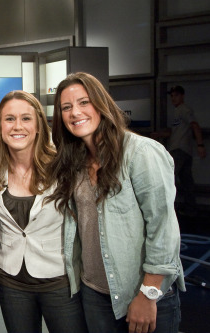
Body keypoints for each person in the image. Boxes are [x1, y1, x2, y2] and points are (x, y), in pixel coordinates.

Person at [46, 72, 185, 333]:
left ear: (101, 104)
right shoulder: (74, 162)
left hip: (143, 295)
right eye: (66, 107)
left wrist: (148, 294)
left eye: (84, 102)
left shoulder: (141, 152)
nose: (75, 112)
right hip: (95, 294)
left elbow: (163, 230)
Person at [0, 90, 87, 333]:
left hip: (58, 281)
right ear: (0, 126)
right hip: (11, 281)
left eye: (26, 118)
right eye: (9, 119)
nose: (17, 126)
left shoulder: (63, 166)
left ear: (38, 126)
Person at [151, 85, 206, 216]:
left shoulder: (184, 110)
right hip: (184, 150)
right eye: (172, 96)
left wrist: (200, 145)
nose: (173, 98)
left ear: (182, 96)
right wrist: (159, 134)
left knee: (168, 177)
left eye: (176, 95)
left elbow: (195, 125)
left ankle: (166, 211)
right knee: (187, 181)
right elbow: (175, 131)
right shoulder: (178, 112)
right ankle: (191, 209)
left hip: (179, 150)